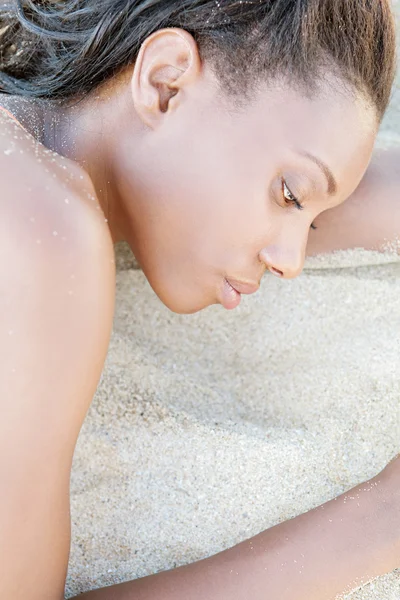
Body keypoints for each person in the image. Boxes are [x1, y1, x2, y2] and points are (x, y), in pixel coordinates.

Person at [0, 1, 399, 599]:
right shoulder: (47, 234)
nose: (289, 261)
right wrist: (378, 522)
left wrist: (304, 193)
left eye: (310, 221)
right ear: (165, 82)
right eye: (288, 195)